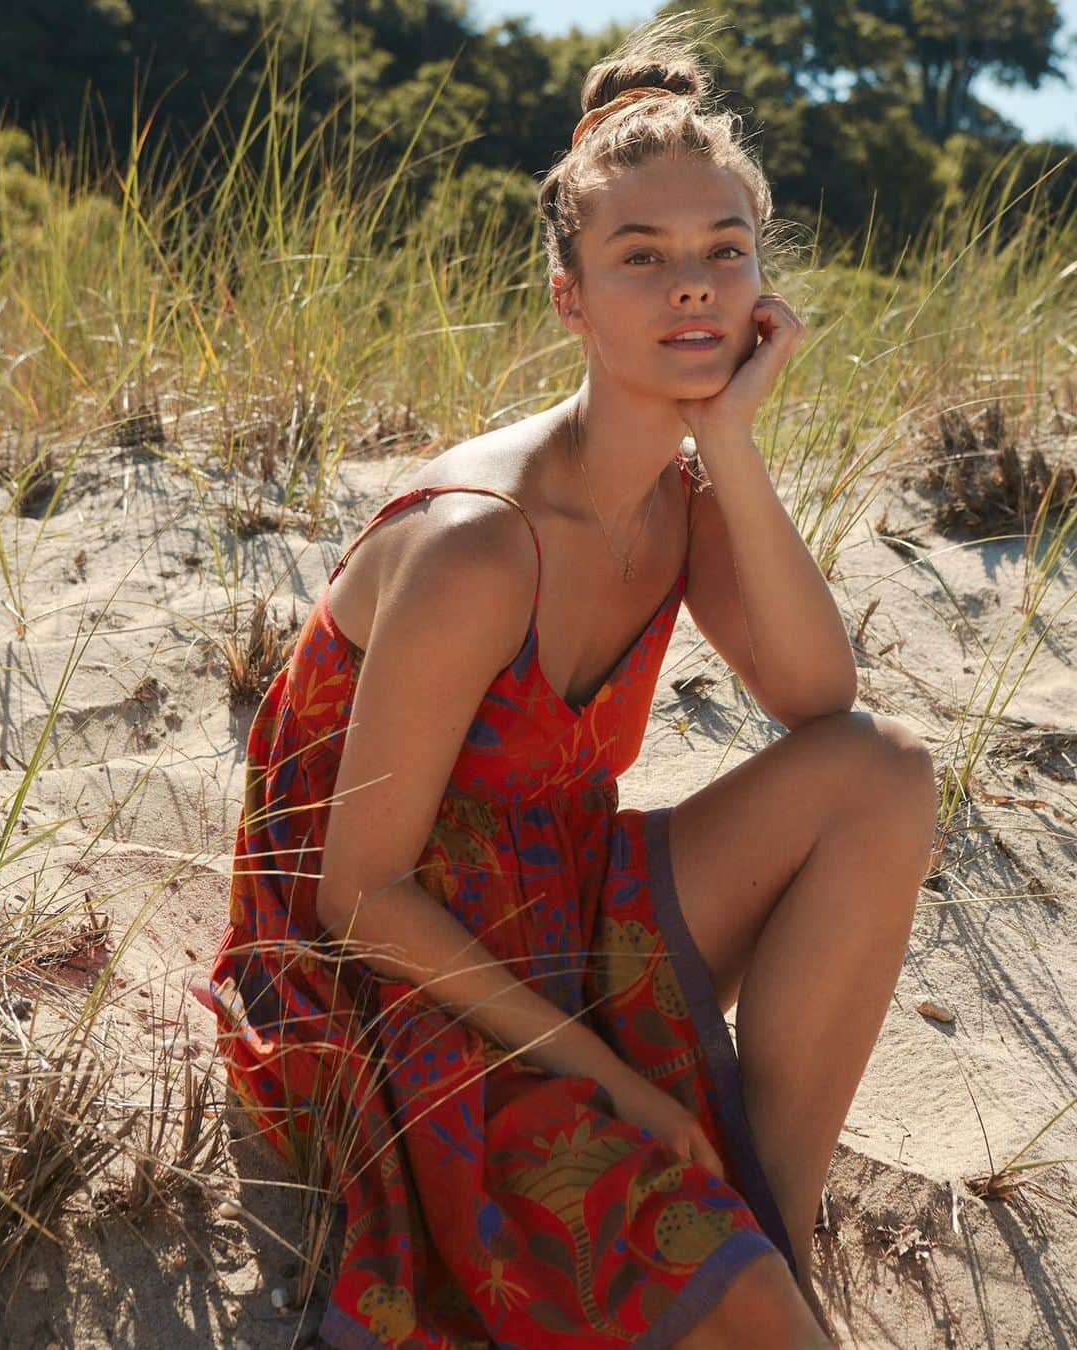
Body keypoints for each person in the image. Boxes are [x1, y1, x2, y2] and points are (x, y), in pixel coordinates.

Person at [200, 15, 938, 1349]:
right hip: (390, 974)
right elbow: (356, 893)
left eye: (724, 254)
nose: (692, 290)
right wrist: (613, 1079)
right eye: (641, 258)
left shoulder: (681, 497)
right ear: (568, 296)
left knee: (883, 775)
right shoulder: (483, 543)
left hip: (554, 895)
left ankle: (769, 1228)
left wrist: (735, 441)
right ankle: (746, 1279)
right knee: (733, 1300)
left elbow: (824, 705)